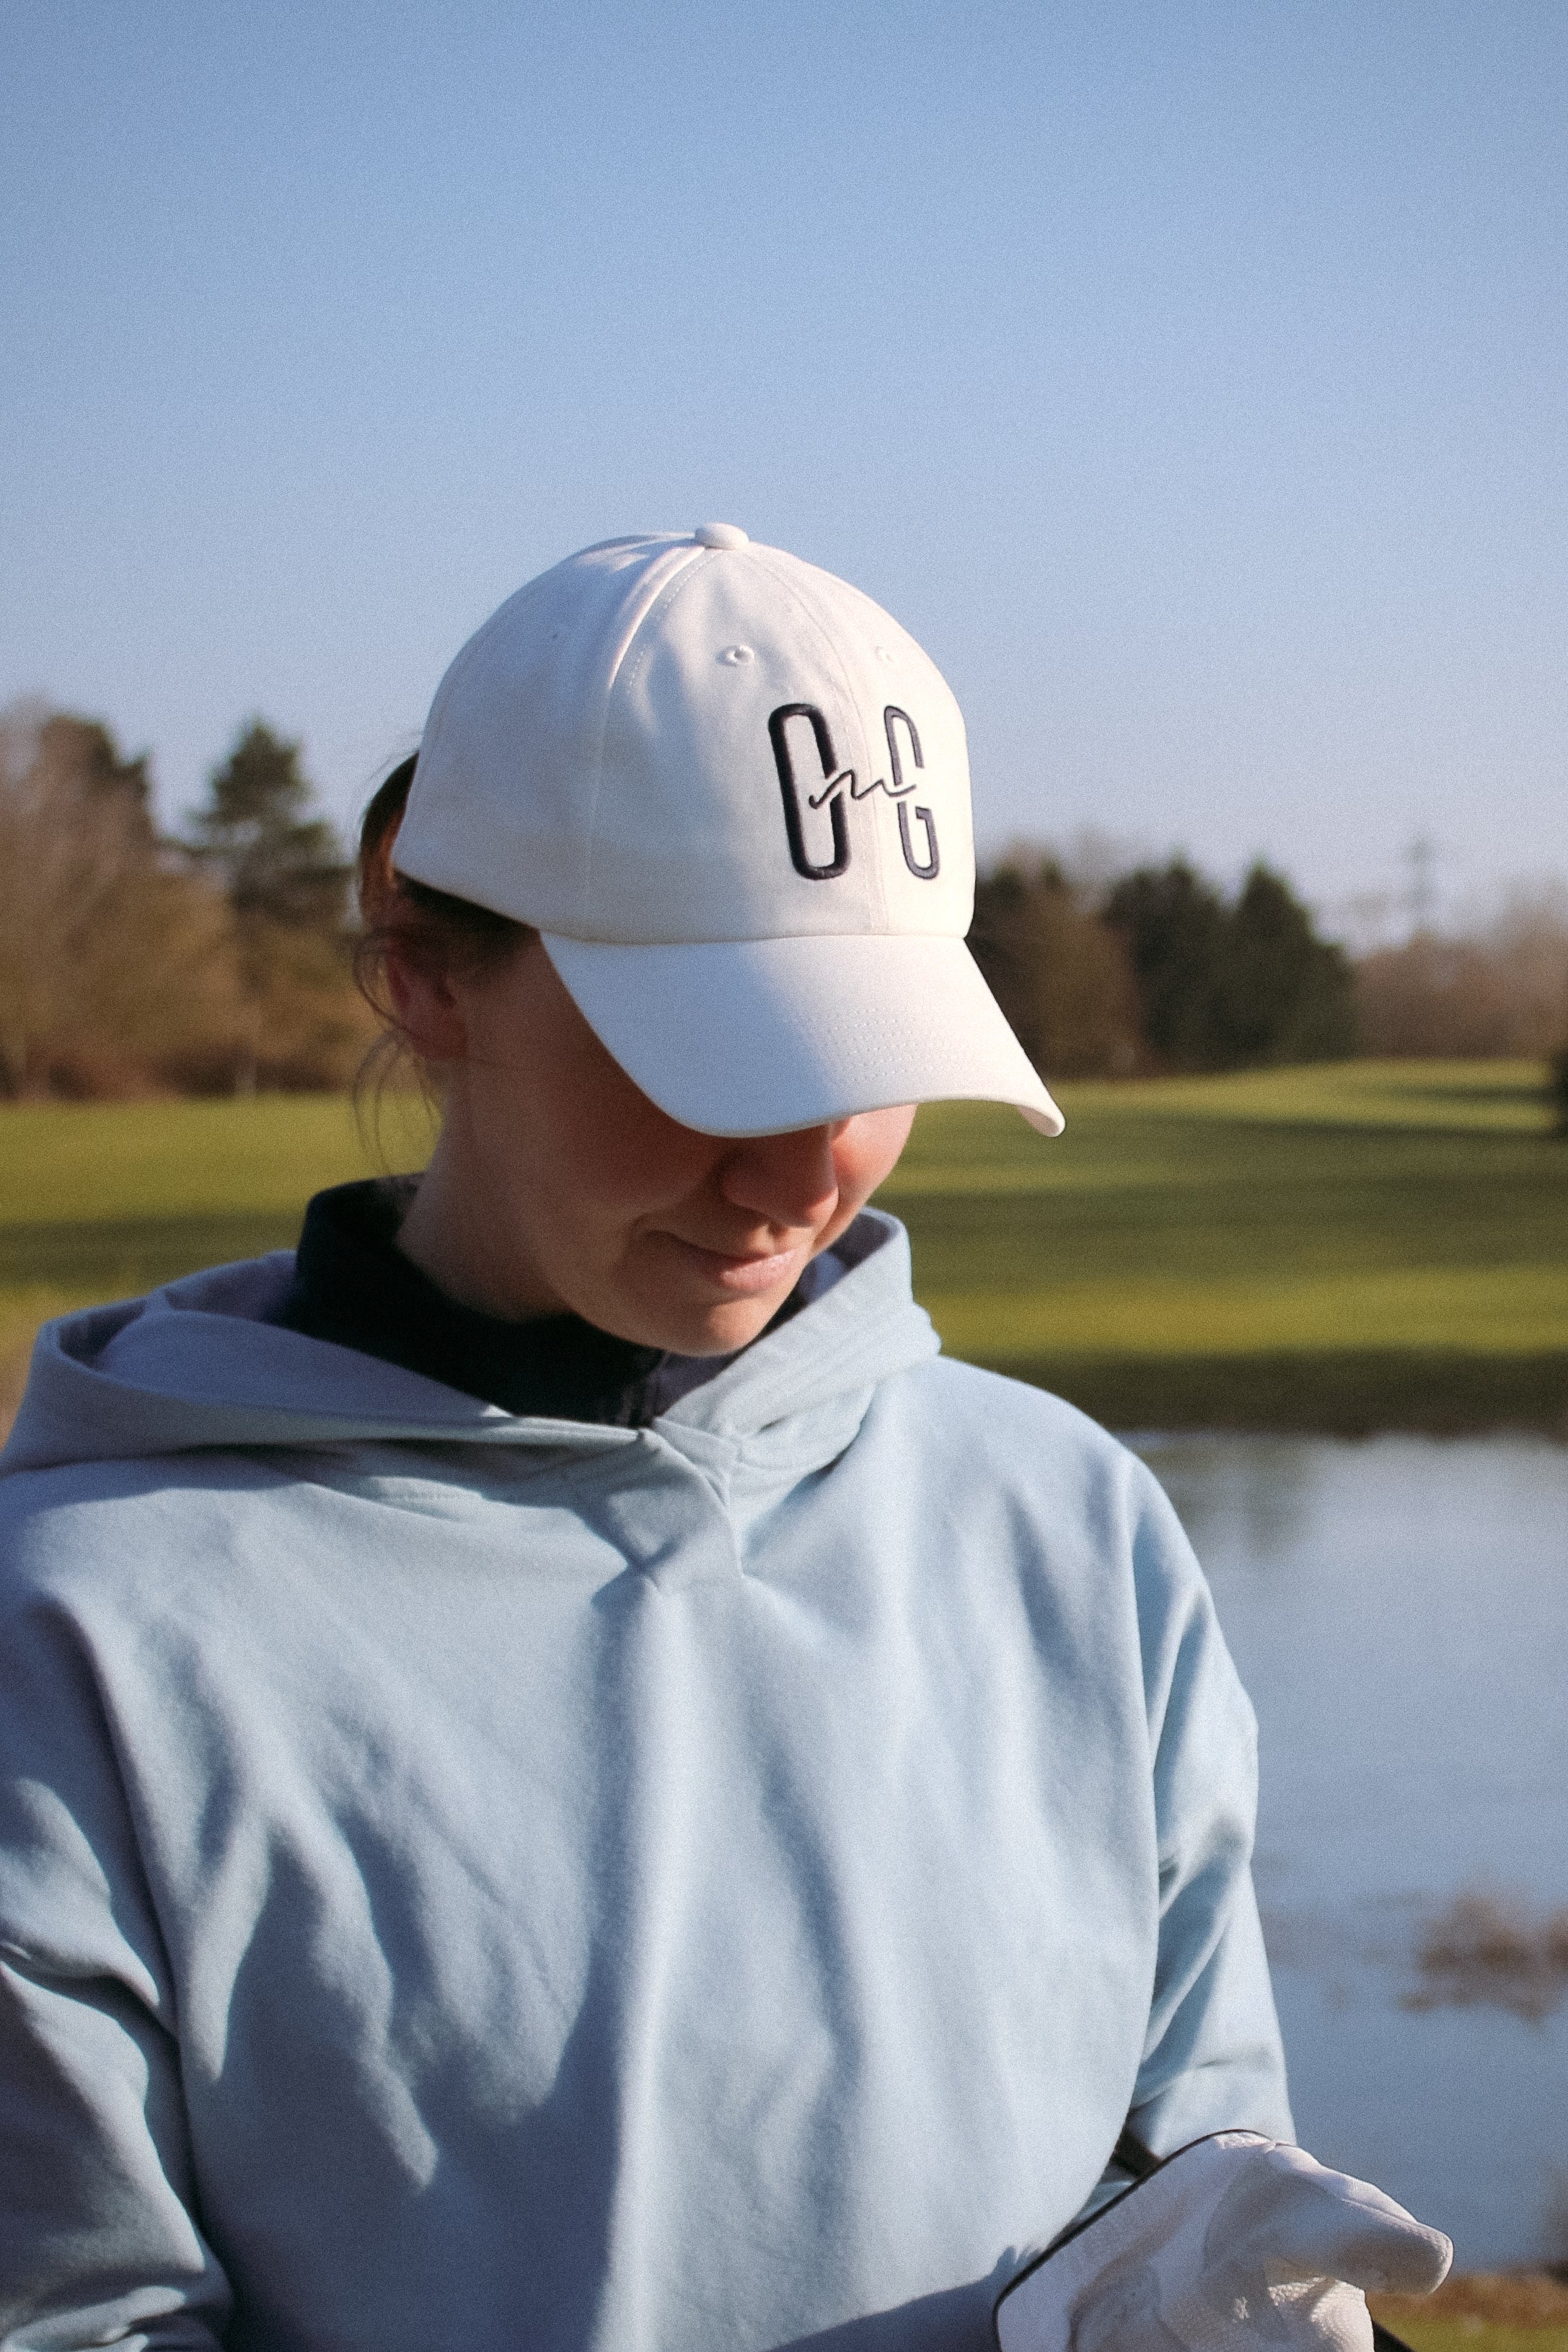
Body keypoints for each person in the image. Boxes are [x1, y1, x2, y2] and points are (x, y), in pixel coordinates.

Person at [0, 527, 1423, 2351]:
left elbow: (1182, 2172)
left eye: (867, 1052)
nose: (797, 1172)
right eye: (708, 1055)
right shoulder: (84, 1638)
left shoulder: (1071, 1524)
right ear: (423, 965)